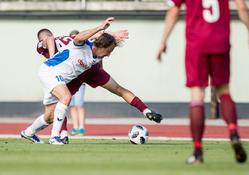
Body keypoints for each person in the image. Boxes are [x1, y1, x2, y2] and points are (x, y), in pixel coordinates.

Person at [21, 18, 163, 145]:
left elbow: (99, 41)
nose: (109, 55)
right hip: (50, 71)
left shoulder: (96, 56)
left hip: (58, 76)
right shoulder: (80, 44)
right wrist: (100, 27)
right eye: (109, 51)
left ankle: (28, 133)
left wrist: (112, 35)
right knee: (66, 97)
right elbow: (77, 37)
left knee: (49, 116)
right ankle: (55, 137)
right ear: (101, 47)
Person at [157, 0, 249, 164]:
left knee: (197, 94)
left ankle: (198, 152)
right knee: (224, 91)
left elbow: (173, 12)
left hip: (196, 45)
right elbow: (241, 6)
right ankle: (233, 132)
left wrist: (163, 41)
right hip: (221, 42)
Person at [68, 30, 87, 136]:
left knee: (79, 105)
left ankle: (81, 128)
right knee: (72, 106)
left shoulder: (84, 51)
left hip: (80, 82)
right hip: (69, 81)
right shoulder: (68, 50)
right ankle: (75, 127)